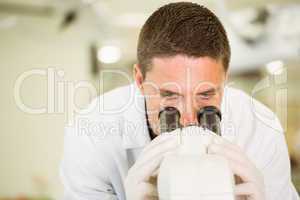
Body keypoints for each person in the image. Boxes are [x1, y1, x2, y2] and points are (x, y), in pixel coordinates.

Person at [60, 2, 299, 200]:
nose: (187, 119)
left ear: (225, 80)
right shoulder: (91, 135)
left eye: (206, 95)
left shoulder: (261, 128)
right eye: (169, 95)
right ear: (140, 80)